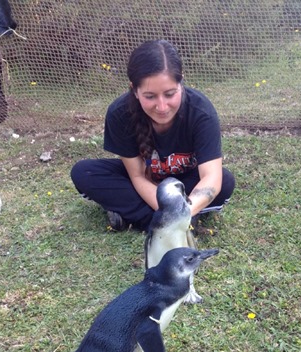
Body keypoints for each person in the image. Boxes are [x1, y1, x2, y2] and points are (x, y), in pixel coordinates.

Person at [70, 39, 235, 232]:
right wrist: (171, 213)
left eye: (170, 93)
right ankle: (170, 223)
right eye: (150, 97)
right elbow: (138, 176)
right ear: (134, 89)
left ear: (181, 81)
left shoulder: (201, 112)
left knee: (224, 182)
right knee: (84, 172)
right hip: (144, 182)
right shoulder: (119, 113)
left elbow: (211, 176)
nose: (162, 107)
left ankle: (138, 217)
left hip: (183, 181)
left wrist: (184, 210)